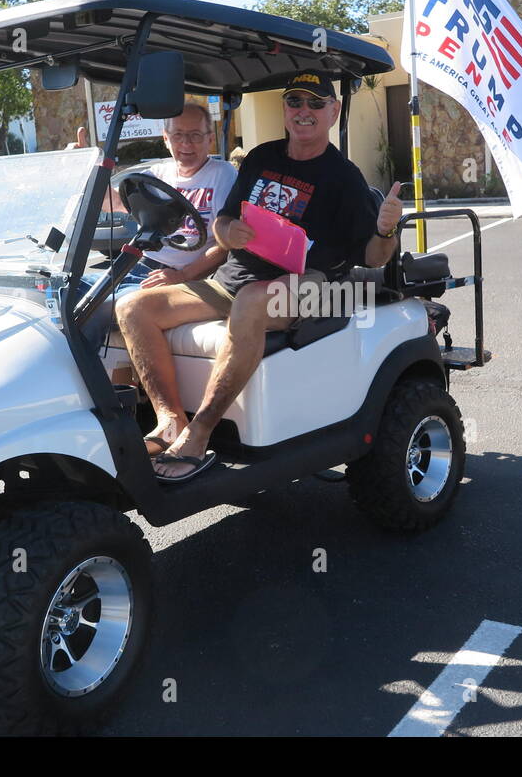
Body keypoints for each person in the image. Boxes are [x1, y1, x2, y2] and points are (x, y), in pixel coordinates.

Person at [117, 72, 403, 480]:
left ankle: (200, 432)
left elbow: (374, 257)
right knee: (133, 307)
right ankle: (170, 419)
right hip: (235, 279)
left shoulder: (344, 177)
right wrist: (228, 231)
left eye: (315, 104)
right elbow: (224, 223)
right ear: (285, 109)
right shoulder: (261, 158)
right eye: (295, 102)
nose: (303, 111)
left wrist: (386, 228)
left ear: (333, 111)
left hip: (313, 286)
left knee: (253, 299)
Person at [72, 103, 236, 354]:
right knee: (67, 291)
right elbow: (114, 202)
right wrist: (87, 168)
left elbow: (225, 245)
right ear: (166, 139)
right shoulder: (156, 174)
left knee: (98, 305)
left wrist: (183, 275)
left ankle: (87, 376)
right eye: (178, 135)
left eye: (195, 135)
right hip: (138, 266)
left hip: (182, 277)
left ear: (210, 138)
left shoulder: (222, 174)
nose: (186, 144)